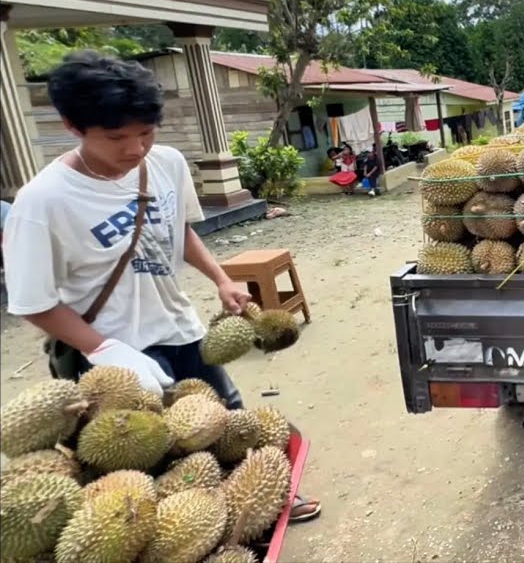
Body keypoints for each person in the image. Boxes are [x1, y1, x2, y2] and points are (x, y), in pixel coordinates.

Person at [1, 50, 321, 523]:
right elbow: (34, 303)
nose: (134, 149)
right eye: (115, 137)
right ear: (73, 127)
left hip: (180, 328)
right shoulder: (41, 202)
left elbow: (177, 230)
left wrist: (220, 279)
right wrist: (106, 348)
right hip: (110, 357)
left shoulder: (166, 163)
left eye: (145, 133)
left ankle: (260, 501)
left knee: (227, 418)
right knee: (143, 457)